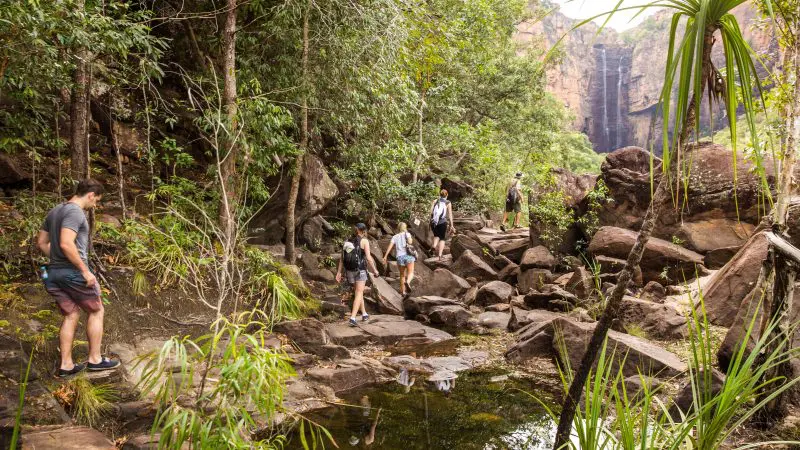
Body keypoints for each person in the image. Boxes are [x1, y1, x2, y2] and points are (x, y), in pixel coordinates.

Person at [37, 179, 120, 377]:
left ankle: (66, 365)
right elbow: (66, 243)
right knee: (96, 310)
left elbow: (41, 243)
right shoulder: (75, 212)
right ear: (91, 195)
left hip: (53, 272)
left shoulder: (55, 210)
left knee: (71, 314)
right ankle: (95, 360)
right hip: (73, 272)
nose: (95, 205)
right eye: (96, 201)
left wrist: (57, 259)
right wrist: (83, 270)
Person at [336, 223, 380, 326]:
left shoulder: (347, 241)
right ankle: (353, 318)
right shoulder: (364, 241)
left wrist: (339, 272)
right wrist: (375, 271)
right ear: (364, 231)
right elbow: (368, 258)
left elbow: (342, 258)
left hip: (349, 271)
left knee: (358, 292)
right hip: (360, 270)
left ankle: (364, 314)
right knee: (359, 293)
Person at [382, 222, 415, 297]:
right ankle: (408, 282)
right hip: (408, 256)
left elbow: (390, 247)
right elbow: (410, 242)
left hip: (399, 257)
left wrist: (385, 256)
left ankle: (403, 292)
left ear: (398, 228)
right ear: (405, 227)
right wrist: (407, 235)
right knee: (411, 273)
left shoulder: (395, 237)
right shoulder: (407, 234)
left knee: (402, 275)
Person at [429, 189, 455, 260]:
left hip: (434, 222)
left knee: (436, 235)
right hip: (442, 222)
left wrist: (430, 221)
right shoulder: (448, 203)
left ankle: (434, 246)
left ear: (440, 195)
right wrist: (451, 225)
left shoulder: (435, 201)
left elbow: (431, 212)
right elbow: (450, 215)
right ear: (447, 195)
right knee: (442, 238)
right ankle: (440, 256)